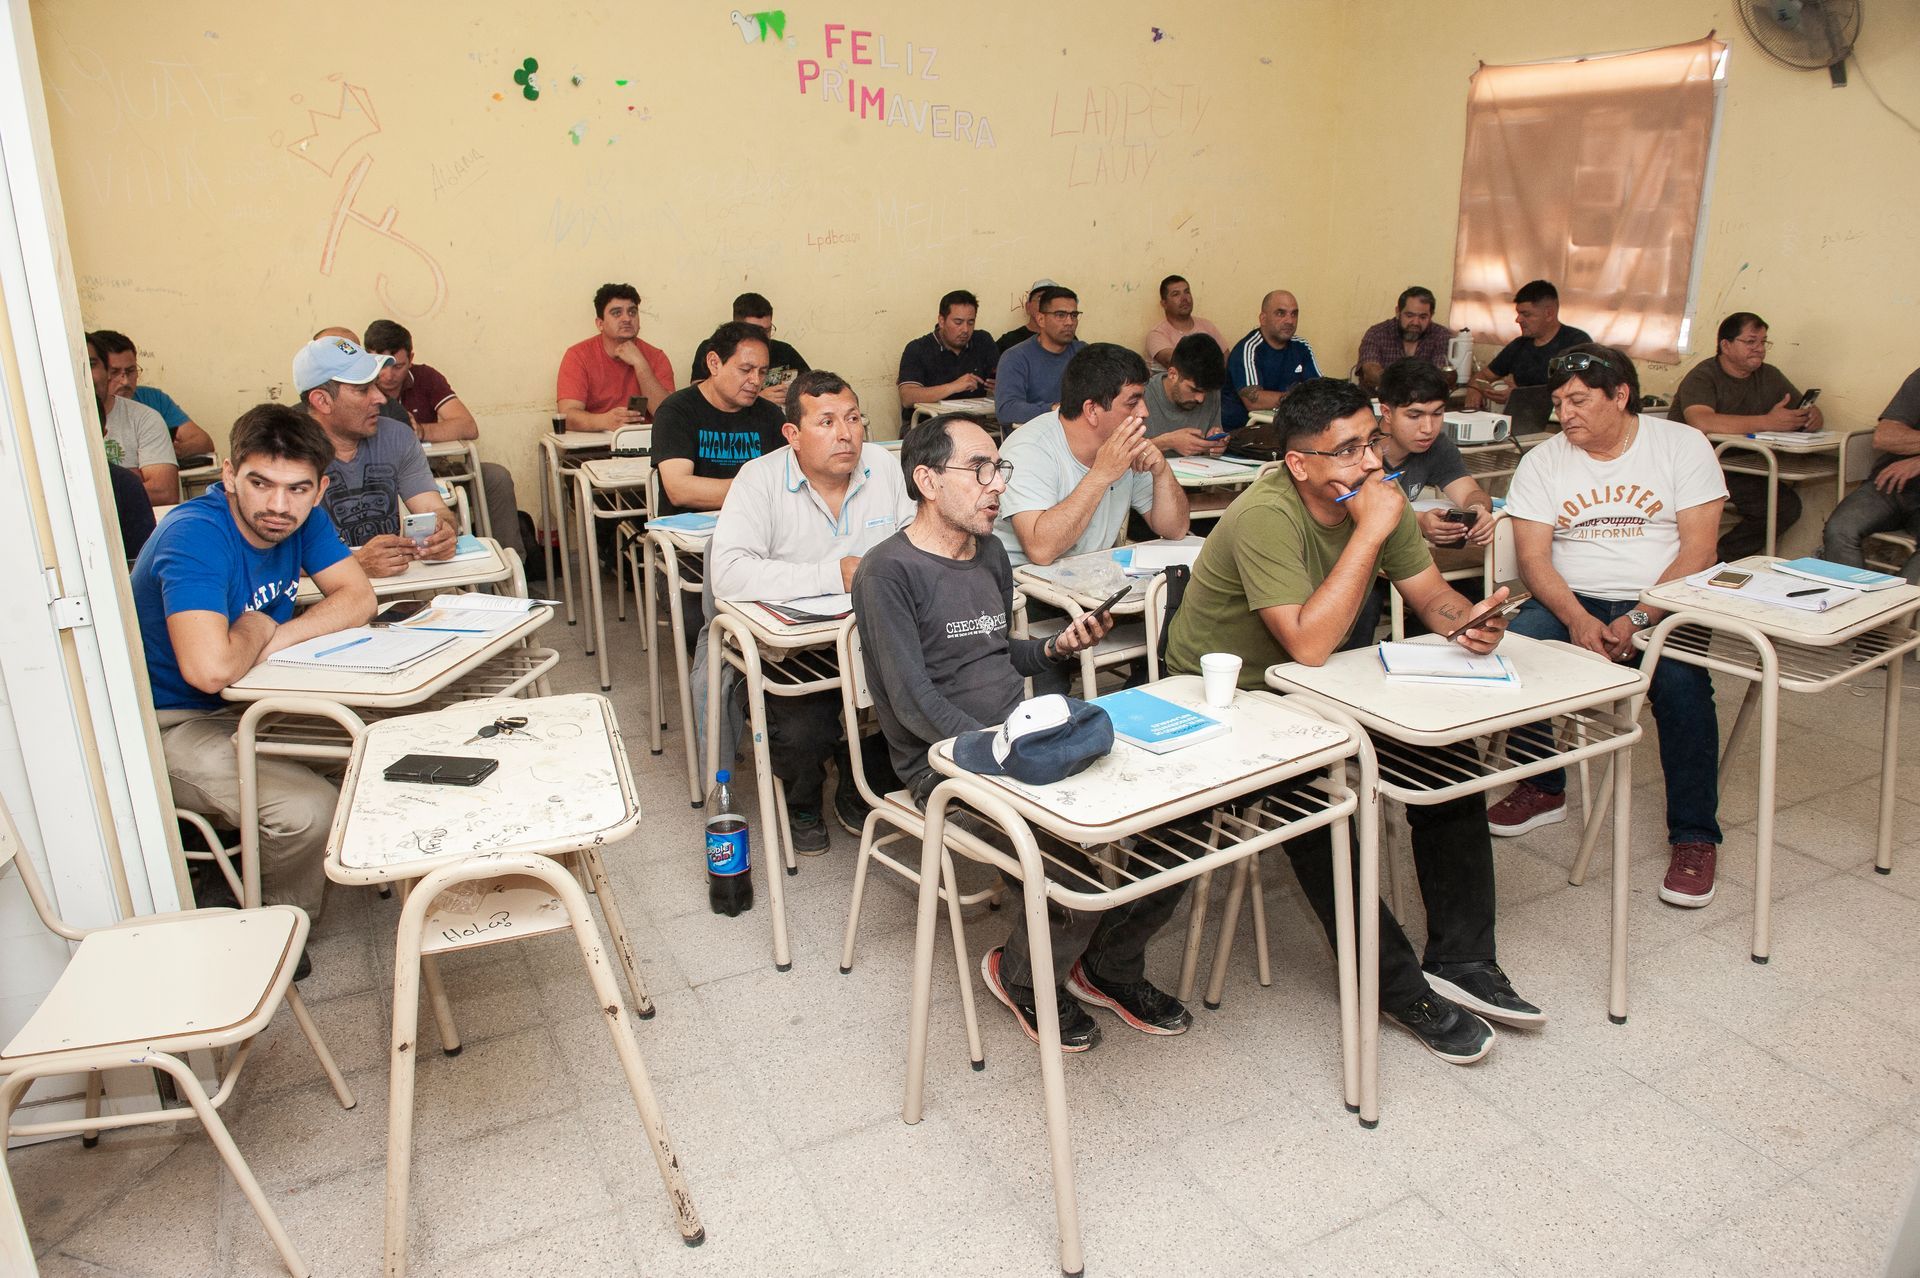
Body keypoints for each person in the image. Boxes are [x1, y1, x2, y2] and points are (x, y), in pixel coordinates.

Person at [1163, 377, 1540, 1063]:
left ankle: (1463, 959)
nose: (1369, 463)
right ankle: (1398, 988)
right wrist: (1372, 527)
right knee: (1319, 805)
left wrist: (1469, 622)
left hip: (1321, 686)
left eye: (1370, 442)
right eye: (1346, 452)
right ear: (1298, 464)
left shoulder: (1377, 500)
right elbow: (1306, 642)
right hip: (1225, 695)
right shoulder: (1264, 515)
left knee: (1448, 765)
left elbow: (1429, 595)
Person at [853, 412, 1193, 1050]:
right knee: (1070, 869)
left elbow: (993, 653)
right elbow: (912, 701)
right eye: (979, 469)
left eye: (999, 468)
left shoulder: (985, 554)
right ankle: (1023, 978)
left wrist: (1051, 650)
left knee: (1179, 824)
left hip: (1019, 736)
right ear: (926, 480)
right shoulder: (886, 572)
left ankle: (1107, 966)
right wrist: (1003, 751)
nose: (997, 485)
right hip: (945, 764)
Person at [1487, 344, 1728, 908]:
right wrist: (1575, 618)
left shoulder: (1680, 445)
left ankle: (1695, 835)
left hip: (1666, 599)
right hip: (1574, 597)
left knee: (1682, 688)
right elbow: (1535, 561)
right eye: (1558, 402)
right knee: (1515, 653)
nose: (1564, 413)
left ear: (1620, 396)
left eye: (1578, 400)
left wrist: (1642, 616)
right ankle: (1542, 784)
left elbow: (1700, 550)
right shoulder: (1544, 460)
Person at [130, 403, 375, 916]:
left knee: (383, 739)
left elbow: (358, 598)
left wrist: (270, 636)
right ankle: (281, 925)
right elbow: (210, 669)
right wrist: (257, 624)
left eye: (298, 489)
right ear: (229, 476)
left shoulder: (300, 519)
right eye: (260, 483)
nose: (279, 505)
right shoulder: (195, 533)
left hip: (249, 699)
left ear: (320, 489)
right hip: (167, 724)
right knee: (306, 809)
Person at [708, 371, 913, 849]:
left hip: (870, 635)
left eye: (854, 419)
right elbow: (731, 574)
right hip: (792, 648)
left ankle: (859, 775)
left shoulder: (881, 466)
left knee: (913, 693)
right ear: (793, 435)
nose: (846, 434)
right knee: (801, 732)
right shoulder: (758, 481)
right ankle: (802, 801)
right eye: (826, 422)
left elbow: (912, 539)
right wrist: (830, 574)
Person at [995, 343, 1189, 569]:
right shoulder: (1029, 449)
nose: (1144, 412)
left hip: (1086, 576)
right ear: (1091, 410)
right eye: (1132, 403)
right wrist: (1101, 474)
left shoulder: (1124, 446)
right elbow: (1041, 550)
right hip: (1022, 585)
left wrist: (1162, 472)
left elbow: (1175, 529)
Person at [292, 335, 459, 578]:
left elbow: (434, 509)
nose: (381, 398)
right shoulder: (284, 453)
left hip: (398, 588)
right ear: (322, 401)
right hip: (321, 600)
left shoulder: (397, 436)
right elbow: (270, 556)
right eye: (362, 390)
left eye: (375, 386)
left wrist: (443, 531)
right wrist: (356, 562)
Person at [361, 319, 525, 563]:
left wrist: (421, 431)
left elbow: (467, 425)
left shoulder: (425, 378)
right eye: (381, 366)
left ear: (411, 359)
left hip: (436, 469)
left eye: (397, 366)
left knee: (495, 477)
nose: (388, 375)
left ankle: (510, 566)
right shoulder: (360, 386)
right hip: (383, 475)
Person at [1669, 312, 1824, 561]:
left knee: (1784, 507)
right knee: (1778, 505)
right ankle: (1707, 562)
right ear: (1726, 345)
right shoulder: (1703, 376)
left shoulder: (1769, 375)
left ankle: (1718, 560)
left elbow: (1799, 408)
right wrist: (1768, 422)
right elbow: (1702, 422)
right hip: (1696, 466)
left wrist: (1811, 415)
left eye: (1763, 342)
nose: (1759, 349)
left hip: (1743, 465)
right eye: (1751, 342)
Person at [651, 321, 788, 517]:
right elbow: (679, 490)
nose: (756, 381)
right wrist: (759, 490)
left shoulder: (770, 414)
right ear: (714, 363)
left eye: (762, 372)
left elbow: (787, 481)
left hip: (757, 527)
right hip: (690, 536)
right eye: (745, 370)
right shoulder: (676, 410)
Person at [1820, 367, 1920, 581]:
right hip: (1891, 485)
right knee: (1840, 530)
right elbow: (1885, 437)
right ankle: (1850, 608)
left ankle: (1893, 609)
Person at [555, 282, 676, 432]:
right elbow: (567, 416)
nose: (627, 318)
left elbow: (669, 415)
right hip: (593, 450)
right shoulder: (578, 356)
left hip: (645, 448)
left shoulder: (657, 357)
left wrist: (641, 364)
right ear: (600, 324)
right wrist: (605, 421)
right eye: (617, 313)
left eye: (632, 312)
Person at [89, 328, 215, 456]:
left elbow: (204, 441)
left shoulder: (154, 399)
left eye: (131, 371)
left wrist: (166, 450)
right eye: (114, 372)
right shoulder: (87, 409)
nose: (125, 381)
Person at [88, 331, 177, 507]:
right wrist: (129, 478)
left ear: (106, 372)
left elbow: (164, 492)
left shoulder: (145, 418)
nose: (84, 373)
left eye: (91, 364)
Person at [1468, 279, 1590, 407]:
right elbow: (1484, 375)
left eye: (1526, 314)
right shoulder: (1519, 345)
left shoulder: (1577, 342)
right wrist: (1474, 389)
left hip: (1560, 422)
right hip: (1520, 421)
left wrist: (1521, 396)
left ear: (1549, 313)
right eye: (1518, 313)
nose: (1518, 319)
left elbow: (1579, 391)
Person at [688, 292, 811, 407]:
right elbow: (698, 397)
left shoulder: (784, 350)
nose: (763, 337)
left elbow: (813, 385)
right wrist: (757, 398)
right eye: (756, 331)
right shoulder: (714, 347)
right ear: (736, 326)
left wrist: (793, 394)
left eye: (767, 330)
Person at [896, 289, 999, 424]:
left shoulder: (983, 341)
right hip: (927, 427)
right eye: (958, 322)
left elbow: (1001, 378)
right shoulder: (918, 348)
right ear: (942, 321)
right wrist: (954, 386)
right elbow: (907, 397)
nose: (965, 330)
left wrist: (1003, 387)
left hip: (972, 425)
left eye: (970, 322)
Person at [1222, 289, 1320, 432]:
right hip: (1243, 433)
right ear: (1263, 319)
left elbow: (1319, 389)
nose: (1289, 320)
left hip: (1284, 428)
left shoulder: (1302, 346)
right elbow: (1253, 401)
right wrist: (1299, 397)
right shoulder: (1249, 348)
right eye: (1281, 313)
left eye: (1294, 314)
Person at [994, 285, 1086, 427]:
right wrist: (1054, 409)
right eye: (1060, 315)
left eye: (1073, 315)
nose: (1069, 322)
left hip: (1079, 437)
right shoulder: (1015, 357)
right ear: (1041, 319)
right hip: (1033, 439)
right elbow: (1006, 410)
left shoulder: (1084, 353)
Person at [1142, 333, 1228, 456]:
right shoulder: (1141, 396)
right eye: (1194, 390)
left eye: (1206, 392)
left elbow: (1210, 450)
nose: (1201, 399)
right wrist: (1167, 442)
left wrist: (1213, 445)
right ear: (1173, 374)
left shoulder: (1212, 392)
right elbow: (1117, 455)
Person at [1356, 286, 1455, 391]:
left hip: (1423, 402)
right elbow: (1370, 371)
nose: (1415, 322)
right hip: (1380, 401)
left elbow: (1440, 375)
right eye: (1409, 315)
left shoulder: (1440, 335)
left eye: (1423, 317)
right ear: (1398, 312)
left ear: (1431, 316)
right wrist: (1404, 387)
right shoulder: (1377, 333)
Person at [1144, 275, 1228, 372]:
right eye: (1176, 294)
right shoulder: (1157, 334)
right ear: (1164, 304)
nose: (1184, 298)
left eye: (1187, 292)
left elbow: (1226, 359)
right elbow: (1178, 365)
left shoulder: (1206, 325)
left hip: (1213, 385)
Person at [995, 279, 1053, 355]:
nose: (1046, 304)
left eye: (1051, 300)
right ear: (1028, 307)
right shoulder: (1009, 341)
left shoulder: (1065, 338)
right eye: (1040, 298)